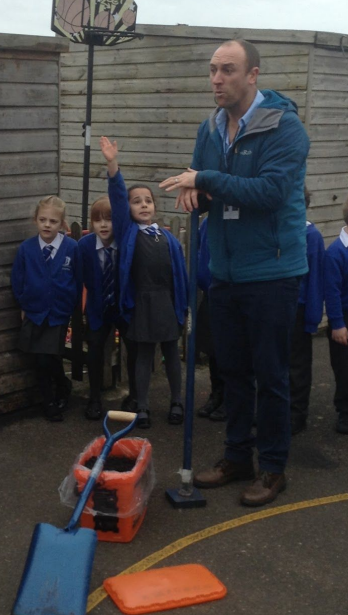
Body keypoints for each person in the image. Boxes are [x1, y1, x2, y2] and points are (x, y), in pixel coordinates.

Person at [159, 39, 310, 506]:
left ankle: (273, 467)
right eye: (212, 70)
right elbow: (206, 190)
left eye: (227, 70)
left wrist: (203, 180)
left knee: (271, 375)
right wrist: (196, 195)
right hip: (224, 270)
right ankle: (237, 456)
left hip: (271, 271)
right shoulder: (209, 128)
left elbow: (269, 192)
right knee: (233, 372)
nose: (216, 79)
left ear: (253, 75)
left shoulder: (285, 128)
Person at [100, 135, 189, 429]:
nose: (143, 205)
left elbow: (179, 275)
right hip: (141, 303)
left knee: (171, 354)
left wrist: (182, 306)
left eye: (148, 201)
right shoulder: (128, 232)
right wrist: (113, 163)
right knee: (143, 356)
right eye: (136, 201)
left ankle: (177, 401)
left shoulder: (168, 238)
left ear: (155, 207)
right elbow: (117, 194)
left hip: (167, 303)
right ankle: (142, 405)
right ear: (128, 209)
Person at [11, 195, 82, 422]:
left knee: (49, 357)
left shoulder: (71, 248)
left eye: (53, 221)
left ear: (62, 223)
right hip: (34, 312)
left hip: (58, 313)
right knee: (38, 360)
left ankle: (59, 390)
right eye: (43, 220)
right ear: (36, 220)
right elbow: (18, 279)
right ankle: (51, 397)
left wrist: (71, 304)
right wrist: (24, 303)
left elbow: (78, 279)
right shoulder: (27, 249)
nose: (47, 225)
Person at [78, 196, 138, 420]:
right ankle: (94, 398)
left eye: (109, 219)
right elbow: (79, 277)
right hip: (98, 305)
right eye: (97, 220)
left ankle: (135, 396)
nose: (103, 225)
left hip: (123, 305)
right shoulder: (84, 246)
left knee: (133, 348)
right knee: (94, 347)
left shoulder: (125, 244)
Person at [290, 187, 325, 435]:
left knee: (298, 365)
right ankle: (274, 411)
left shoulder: (312, 236)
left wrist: (313, 317)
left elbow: (315, 280)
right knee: (274, 363)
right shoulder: (279, 230)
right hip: (276, 307)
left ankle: (296, 414)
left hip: (299, 309)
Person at [196, 215, 226, 420]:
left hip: (229, 292)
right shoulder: (207, 223)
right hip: (210, 293)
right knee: (214, 350)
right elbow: (201, 252)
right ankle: (217, 395)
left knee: (232, 353)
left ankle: (231, 398)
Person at [324, 197, 348, 435]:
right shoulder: (336, 253)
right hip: (344, 318)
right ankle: (345, 412)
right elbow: (331, 292)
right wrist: (338, 324)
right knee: (344, 368)